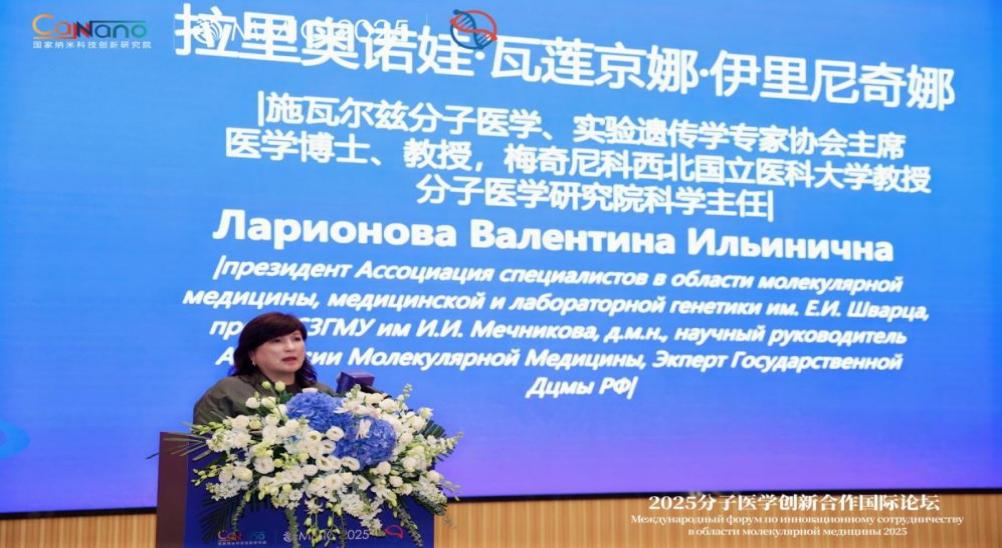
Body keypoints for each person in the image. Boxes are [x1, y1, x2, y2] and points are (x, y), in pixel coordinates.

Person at [193, 312, 336, 425]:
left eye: (296, 339)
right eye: (276, 341)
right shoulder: (229, 391)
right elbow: (204, 446)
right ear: (252, 354)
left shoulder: (322, 393)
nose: (290, 347)